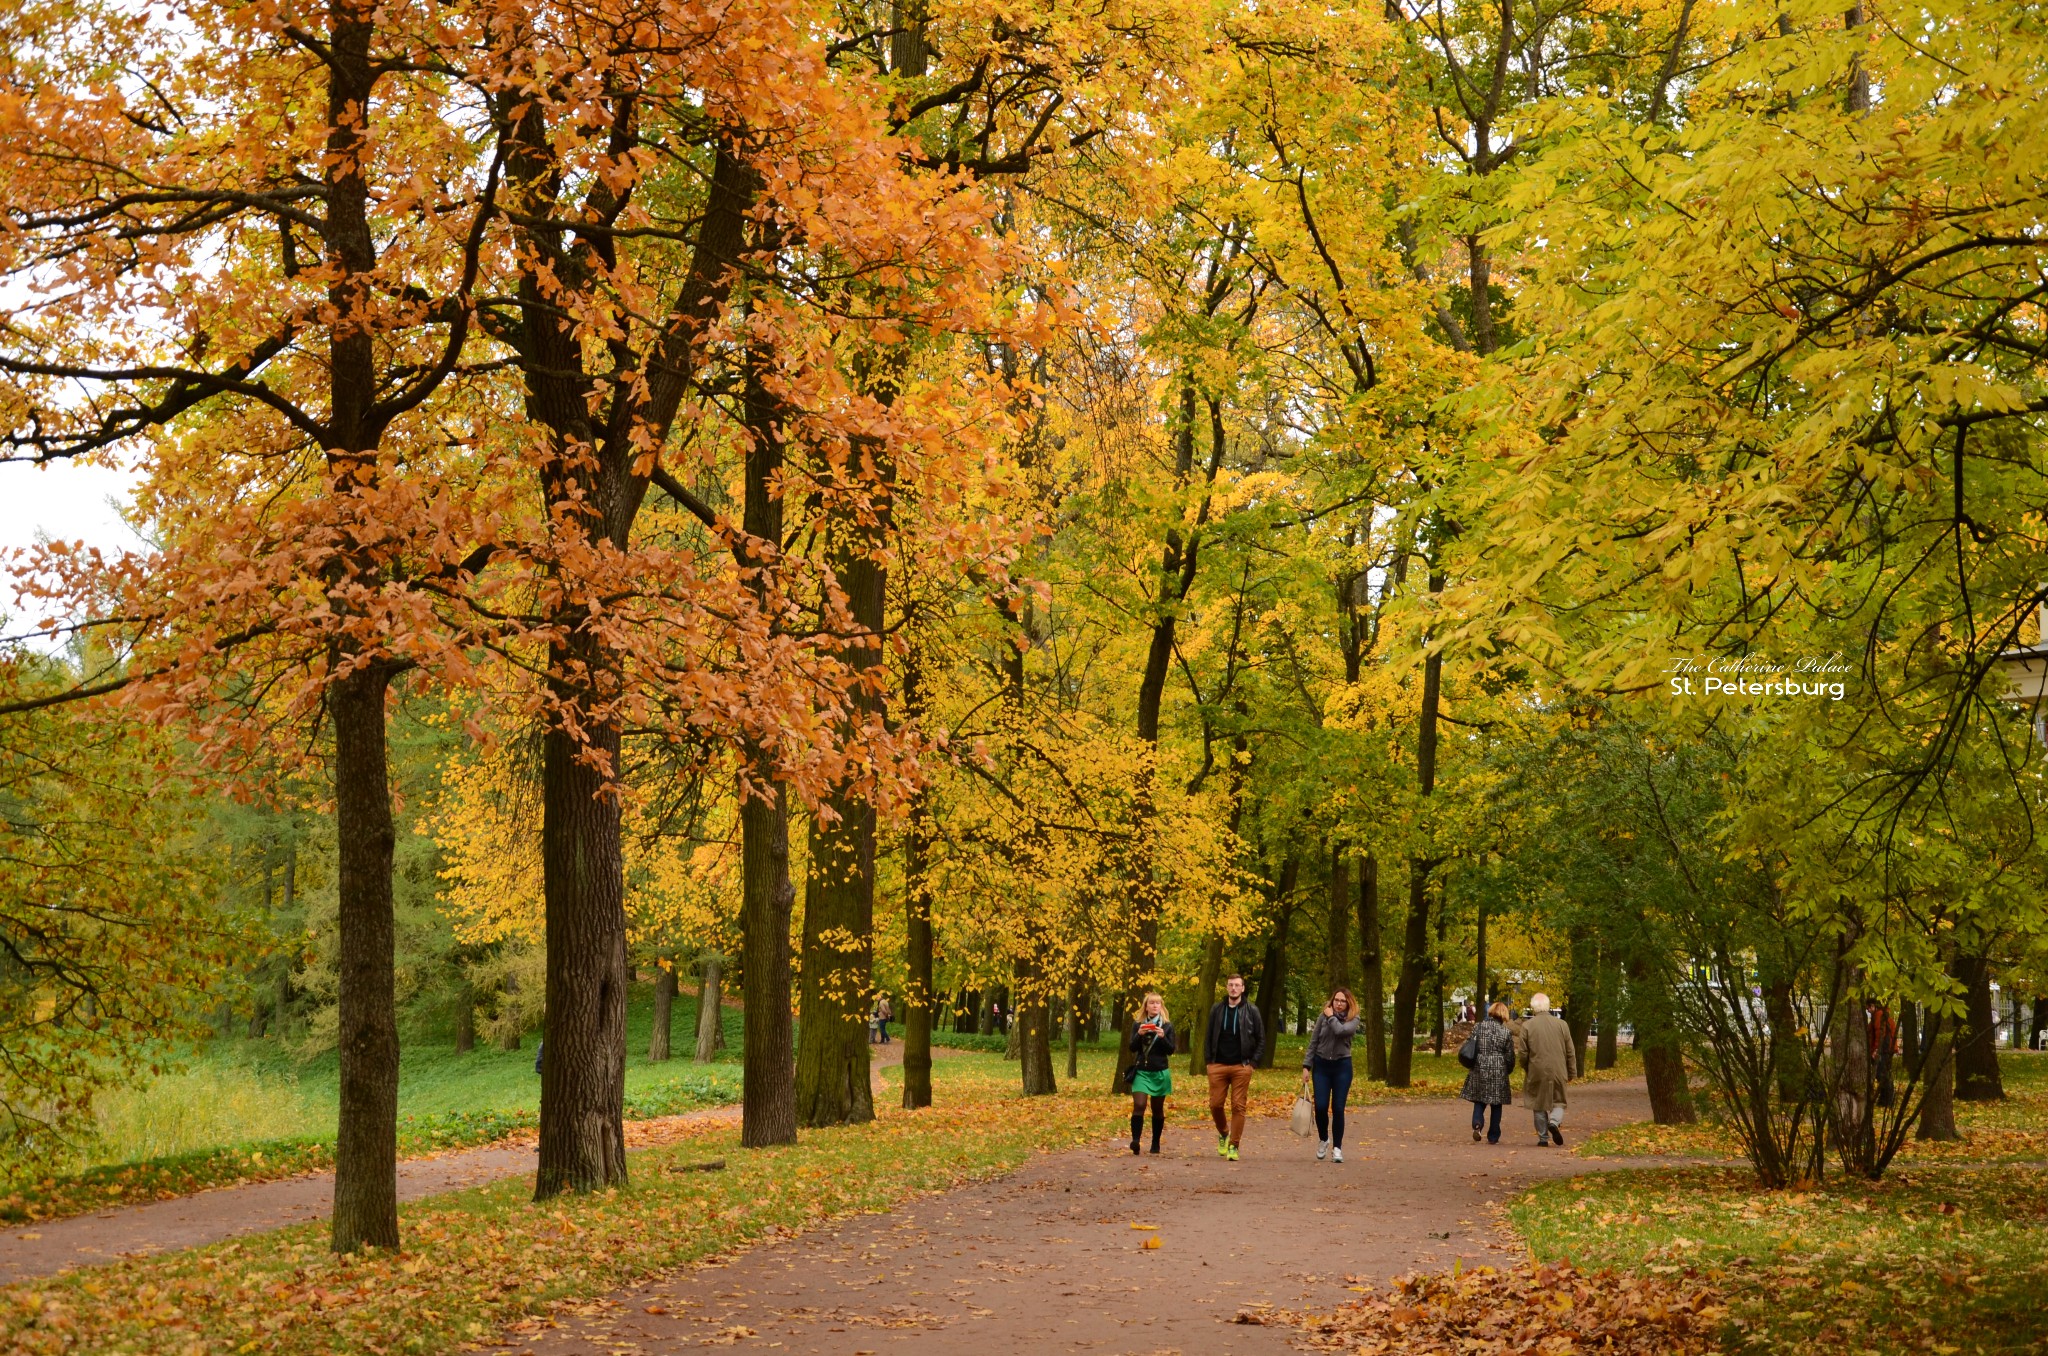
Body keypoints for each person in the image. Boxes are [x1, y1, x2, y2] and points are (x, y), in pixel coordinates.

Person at [1205, 974, 1265, 1161]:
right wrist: (1209, 1062)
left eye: (1237, 985)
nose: (1233, 988)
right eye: (1230, 985)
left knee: (1238, 1106)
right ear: (1226, 987)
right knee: (1215, 1105)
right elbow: (1208, 1036)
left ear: (1243, 988)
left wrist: (1253, 1063)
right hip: (1218, 1065)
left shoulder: (1252, 1010)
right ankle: (1224, 1133)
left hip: (1242, 1066)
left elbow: (1261, 1038)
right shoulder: (1217, 1009)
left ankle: (1234, 1146)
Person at [1302, 987, 1360, 1162]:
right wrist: (1307, 1065)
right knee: (1320, 1107)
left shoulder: (1353, 1019)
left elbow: (1341, 1031)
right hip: (1321, 1066)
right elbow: (1314, 1041)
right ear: (1332, 1001)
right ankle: (1323, 1139)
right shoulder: (1323, 1017)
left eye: (1343, 1001)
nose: (1339, 1004)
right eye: (1337, 1000)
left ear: (1348, 1003)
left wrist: (1331, 1016)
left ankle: (1337, 1148)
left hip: (1342, 1067)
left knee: (1338, 1108)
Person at [1515, 992, 1577, 1146]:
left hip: (1536, 1069)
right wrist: (1572, 1071)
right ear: (1548, 1006)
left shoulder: (1527, 1026)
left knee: (1538, 1102)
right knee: (1559, 1101)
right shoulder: (1562, 1025)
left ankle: (1543, 1138)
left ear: (1533, 1007)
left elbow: (1523, 1052)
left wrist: (1526, 1066)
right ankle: (1554, 1122)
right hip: (1559, 1068)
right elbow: (1570, 1051)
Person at [1460, 1000, 1516, 1144]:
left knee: (1480, 1100)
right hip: (1499, 1068)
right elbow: (1509, 1056)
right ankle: (1493, 1136)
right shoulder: (1505, 1032)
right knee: (1496, 1105)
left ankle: (1477, 1125)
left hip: (1480, 1066)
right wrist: (1507, 1070)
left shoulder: (1479, 1027)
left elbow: (1470, 1044)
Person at [1127, 992, 1176, 1155]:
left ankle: (1155, 1143)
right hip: (1142, 1071)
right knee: (1139, 1105)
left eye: (1158, 1003)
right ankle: (1135, 1141)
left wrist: (1162, 1037)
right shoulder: (1138, 1024)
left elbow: (1171, 1050)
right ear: (1146, 1006)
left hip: (1160, 1071)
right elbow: (1132, 1048)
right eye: (1152, 1003)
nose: (1155, 1006)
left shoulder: (1167, 1026)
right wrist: (1139, 1035)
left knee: (1157, 1109)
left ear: (1161, 1007)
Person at [1867, 998, 1897, 1107]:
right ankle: (1885, 1100)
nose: (1868, 1010)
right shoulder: (1880, 1015)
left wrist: (1875, 1050)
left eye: (1869, 1007)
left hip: (1884, 1049)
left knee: (1882, 1074)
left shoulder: (1879, 1016)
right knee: (1883, 1074)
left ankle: (1887, 1100)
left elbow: (1880, 1034)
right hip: (1885, 1049)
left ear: (1874, 1006)